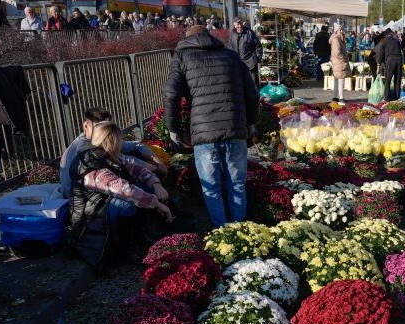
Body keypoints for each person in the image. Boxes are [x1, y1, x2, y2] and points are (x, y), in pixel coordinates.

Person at [163, 25, 259, 228]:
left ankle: (221, 231)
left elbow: (171, 94)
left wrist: (173, 130)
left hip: (204, 131)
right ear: (209, 36)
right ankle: (240, 229)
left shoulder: (181, 57)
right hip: (235, 127)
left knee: (211, 187)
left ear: (187, 39)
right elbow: (252, 93)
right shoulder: (231, 56)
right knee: (237, 184)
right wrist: (251, 124)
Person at [68, 120, 172, 266]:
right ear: (111, 141)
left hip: (103, 205)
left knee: (144, 188)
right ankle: (126, 248)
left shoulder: (107, 155)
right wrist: (157, 204)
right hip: (90, 217)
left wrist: (156, 185)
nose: (122, 141)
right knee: (126, 203)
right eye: (120, 138)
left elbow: (137, 170)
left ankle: (142, 234)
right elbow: (125, 190)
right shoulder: (91, 165)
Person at [60, 107, 166, 198]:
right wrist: (156, 169)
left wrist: (156, 160)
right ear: (86, 126)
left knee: (135, 157)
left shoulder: (101, 139)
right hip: (80, 198)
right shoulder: (85, 148)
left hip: (91, 193)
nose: (106, 131)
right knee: (142, 188)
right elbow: (125, 161)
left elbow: (136, 145)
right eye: (100, 127)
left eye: (108, 127)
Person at [227, 17, 262, 87]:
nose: (239, 26)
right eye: (237, 24)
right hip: (238, 63)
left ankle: (255, 97)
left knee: (253, 84)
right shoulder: (232, 34)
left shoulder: (249, 32)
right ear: (234, 25)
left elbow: (258, 45)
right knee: (240, 84)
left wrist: (257, 57)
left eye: (240, 23)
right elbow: (230, 47)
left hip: (250, 63)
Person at [374, 28, 403, 101]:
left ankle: (387, 98)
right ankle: (397, 97)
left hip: (390, 60)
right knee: (397, 79)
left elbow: (380, 54)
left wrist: (378, 65)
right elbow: (401, 50)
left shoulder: (384, 41)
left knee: (388, 79)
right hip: (399, 59)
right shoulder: (397, 41)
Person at [329, 25, 351, 102]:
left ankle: (335, 97)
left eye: (342, 30)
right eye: (340, 30)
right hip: (339, 62)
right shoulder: (336, 39)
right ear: (336, 31)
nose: (342, 31)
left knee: (337, 80)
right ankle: (341, 98)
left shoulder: (338, 39)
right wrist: (343, 58)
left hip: (337, 62)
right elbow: (336, 52)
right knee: (340, 80)